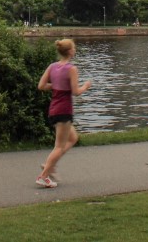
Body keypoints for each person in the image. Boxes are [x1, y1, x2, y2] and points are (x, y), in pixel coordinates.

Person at [36, 38, 91, 188]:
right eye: (74, 48)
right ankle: (44, 175)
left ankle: (50, 164)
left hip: (54, 108)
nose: (75, 50)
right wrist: (85, 86)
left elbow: (41, 85)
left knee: (73, 138)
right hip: (64, 110)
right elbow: (75, 92)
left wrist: (55, 85)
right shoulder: (71, 69)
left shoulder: (52, 66)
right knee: (59, 146)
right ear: (70, 51)